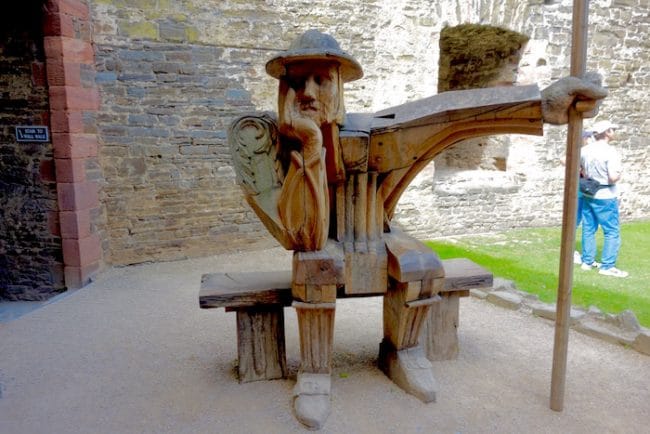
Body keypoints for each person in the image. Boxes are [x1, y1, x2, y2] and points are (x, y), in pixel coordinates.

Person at [234, 30, 607, 429]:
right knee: (315, 265)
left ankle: (403, 352)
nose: (307, 92)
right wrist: (309, 147)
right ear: (282, 88)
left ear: (338, 85)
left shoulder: (375, 130)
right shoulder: (261, 144)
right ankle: (314, 373)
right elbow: (302, 237)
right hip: (321, 242)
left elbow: (449, 115)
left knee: (422, 264)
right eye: (296, 81)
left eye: (321, 79)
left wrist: (539, 104)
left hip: (377, 230)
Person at [580, 120, 627, 277]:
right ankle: (607, 266)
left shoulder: (585, 150)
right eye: (612, 129)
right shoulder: (610, 152)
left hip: (589, 192)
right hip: (605, 195)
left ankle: (587, 262)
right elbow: (613, 177)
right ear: (607, 132)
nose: (613, 132)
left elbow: (581, 170)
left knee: (588, 228)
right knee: (612, 231)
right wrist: (620, 173)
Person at [574, 129, 595, 265]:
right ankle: (571, 250)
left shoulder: (589, 152)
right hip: (580, 191)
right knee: (575, 221)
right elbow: (564, 160)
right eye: (589, 137)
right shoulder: (581, 151)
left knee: (585, 222)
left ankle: (585, 254)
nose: (590, 139)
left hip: (585, 190)